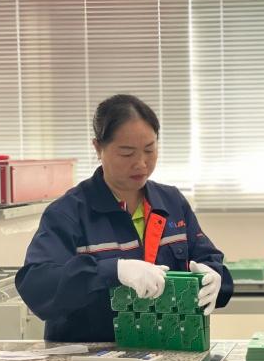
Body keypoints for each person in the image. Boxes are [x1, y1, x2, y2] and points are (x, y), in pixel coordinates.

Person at [16, 94, 233, 342]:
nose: (141, 163)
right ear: (98, 148)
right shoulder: (69, 213)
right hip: (90, 355)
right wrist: (113, 271)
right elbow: (38, 285)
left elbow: (206, 258)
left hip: (168, 348)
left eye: (149, 150)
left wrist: (214, 276)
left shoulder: (171, 203)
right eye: (127, 153)